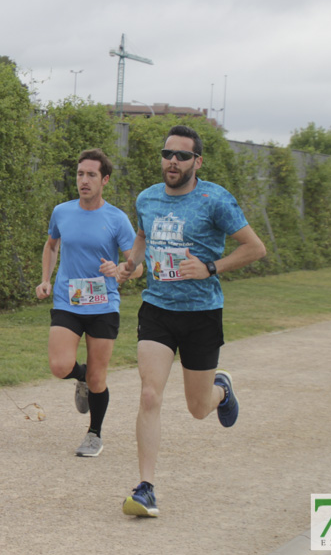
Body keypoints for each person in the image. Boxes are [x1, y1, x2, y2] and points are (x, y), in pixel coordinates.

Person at [116, 124, 266, 516]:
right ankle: (145, 488)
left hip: (201, 314)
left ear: (197, 161)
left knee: (198, 408)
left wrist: (211, 267)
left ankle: (222, 390)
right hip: (157, 310)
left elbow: (255, 248)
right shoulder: (147, 198)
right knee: (150, 393)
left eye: (182, 156)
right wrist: (129, 264)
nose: (173, 161)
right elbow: (143, 236)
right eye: (168, 154)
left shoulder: (215, 199)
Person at [36, 148, 142, 458]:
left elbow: (137, 267)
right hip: (68, 300)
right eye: (80, 174)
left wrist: (122, 270)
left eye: (91, 175)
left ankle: (94, 434)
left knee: (99, 378)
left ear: (104, 180)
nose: (84, 180)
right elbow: (51, 245)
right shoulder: (62, 211)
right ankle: (78, 377)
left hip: (103, 305)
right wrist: (46, 278)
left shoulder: (117, 219)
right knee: (59, 366)